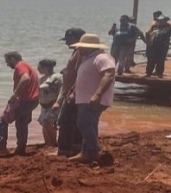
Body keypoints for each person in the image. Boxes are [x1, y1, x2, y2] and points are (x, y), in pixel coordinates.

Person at [68, 34, 116, 164]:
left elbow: (109, 74)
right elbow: (83, 79)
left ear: (88, 47)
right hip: (85, 98)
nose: (78, 49)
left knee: (84, 124)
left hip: (93, 98)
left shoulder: (102, 57)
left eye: (81, 47)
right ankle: (87, 151)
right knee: (89, 124)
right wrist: (74, 93)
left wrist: (97, 94)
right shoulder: (89, 59)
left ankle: (92, 152)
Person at [0, 52, 39, 157]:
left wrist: (15, 95)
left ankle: (1, 149)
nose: (7, 64)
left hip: (25, 100)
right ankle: (21, 148)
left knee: (1, 121)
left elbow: (25, 78)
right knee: (21, 123)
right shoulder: (28, 66)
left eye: (7, 61)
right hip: (32, 100)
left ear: (13, 59)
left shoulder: (20, 66)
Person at [52, 28, 86, 157]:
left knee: (65, 120)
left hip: (73, 91)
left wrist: (73, 91)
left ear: (77, 39)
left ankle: (64, 150)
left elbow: (81, 74)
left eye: (68, 40)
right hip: (73, 90)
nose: (66, 43)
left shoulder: (80, 53)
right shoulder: (78, 52)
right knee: (74, 120)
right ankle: (75, 146)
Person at [36, 59, 62, 147]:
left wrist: (58, 102)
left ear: (45, 67)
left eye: (39, 67)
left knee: (48, 123)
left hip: (52, 104)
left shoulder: (57, 77)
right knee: (44, 124)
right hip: (44, 105)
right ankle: (47, 143)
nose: (37, 69)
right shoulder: (41, 79)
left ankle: (53, 143)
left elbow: (61, 91)